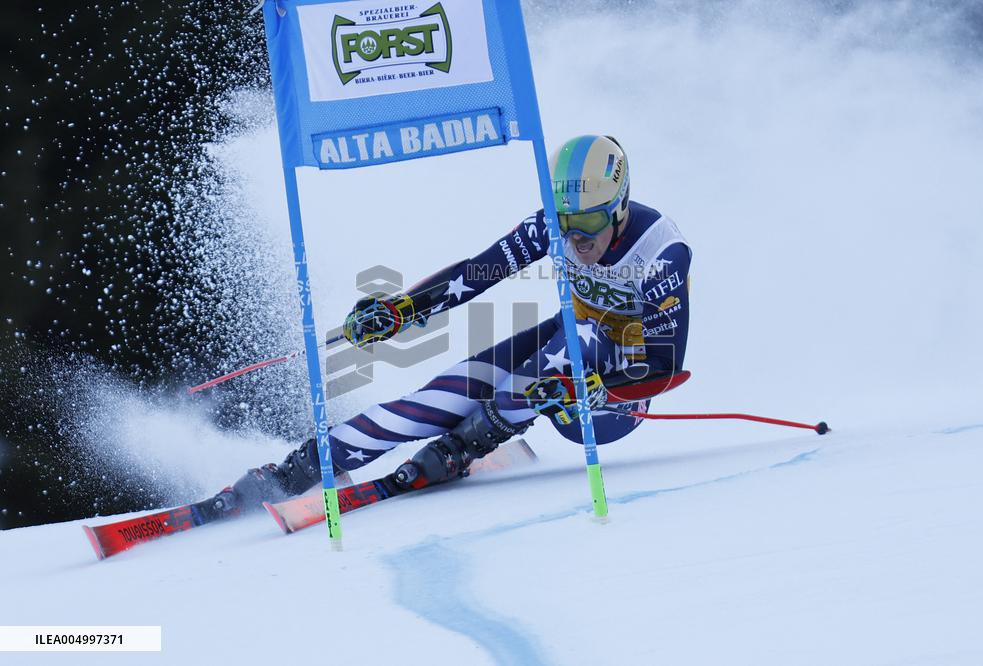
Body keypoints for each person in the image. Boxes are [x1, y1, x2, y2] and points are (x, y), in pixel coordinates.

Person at [212, 135, 692, 513]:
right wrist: (402, 309)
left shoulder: (661, 253)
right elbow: (477, 273)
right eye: (564, 221)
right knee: (455, 387)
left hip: (619, 393)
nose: (574, 237)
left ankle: (461, 447)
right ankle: (299, 468)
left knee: (572, 344)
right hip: (567, 355)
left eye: (587, 222)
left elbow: (665, 368)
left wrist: (589, 388)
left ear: (620, 208)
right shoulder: (558, 224)